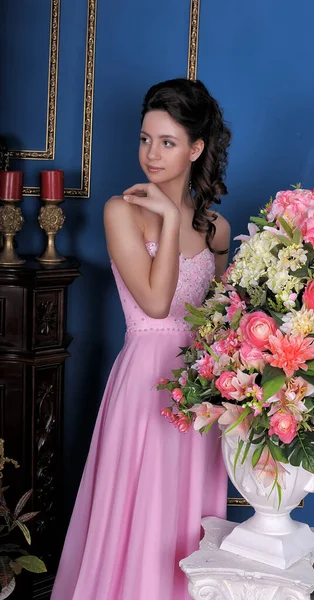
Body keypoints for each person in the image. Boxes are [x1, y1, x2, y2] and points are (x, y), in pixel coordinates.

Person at [51, 78, 232, 600]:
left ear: (196, 149)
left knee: (186, 510)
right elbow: (156, 302)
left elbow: (219, 315)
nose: (150, 154)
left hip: (199, 385)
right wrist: (169, 221)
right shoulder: (120, 210)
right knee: (141, 505)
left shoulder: (216, 228)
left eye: (167, 142)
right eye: (144, 139)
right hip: (145, 383)